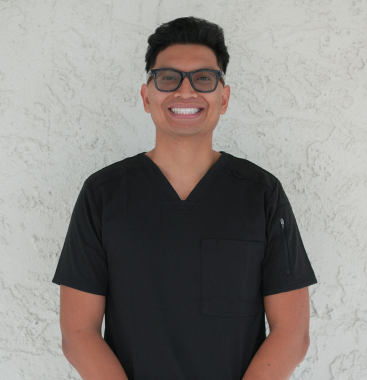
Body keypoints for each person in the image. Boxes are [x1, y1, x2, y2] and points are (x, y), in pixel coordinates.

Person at [52, 16, 318, 380]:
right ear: (147, 96)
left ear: (223, 98)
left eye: (203, 79)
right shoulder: (103, 194)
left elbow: (292, 334)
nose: (185, 92)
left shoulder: (261, 194)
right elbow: (78, 333)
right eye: (168, 78)